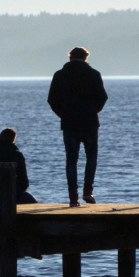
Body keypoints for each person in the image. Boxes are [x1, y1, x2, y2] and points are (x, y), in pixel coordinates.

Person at [47, 46, 108, 207]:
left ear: (70, 57)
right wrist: (93, 111)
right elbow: (102, 97)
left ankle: (73, 198)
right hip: (89, 122)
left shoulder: (59, 75)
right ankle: (88, 191)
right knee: (91, 157)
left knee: (71, 161)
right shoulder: (94, 75)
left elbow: (52, 100)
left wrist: (64, 114)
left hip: (69, 123)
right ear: (85, 58)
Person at [0, 128, 35, 205]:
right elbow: (24, 182)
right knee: (30, 200)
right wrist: (16, 191)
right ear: (13, 141)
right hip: (10, 194)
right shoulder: (17, 155)